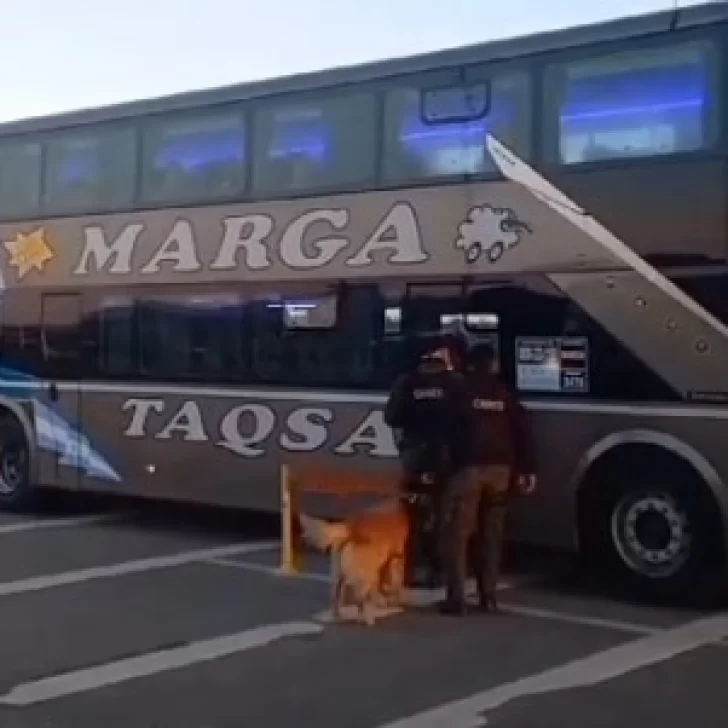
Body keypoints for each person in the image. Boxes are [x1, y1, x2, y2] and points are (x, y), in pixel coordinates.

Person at [440, 341, 537, 615]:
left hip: (468, 470)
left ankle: (456, 599)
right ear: (493, 364)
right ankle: (489, 596)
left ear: (469, 364)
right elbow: (523, 433)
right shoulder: (505, 394)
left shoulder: (459, 392)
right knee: (491, 535)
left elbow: (445, 431)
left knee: (457, 535)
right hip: (501, 471)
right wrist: (528, 469)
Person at [384, 333, 470, 589]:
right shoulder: (456, 382)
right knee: (444, 515)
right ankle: (439, 570)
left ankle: (409, 569)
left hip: (415, 458)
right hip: (446, 459)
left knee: (413, 514)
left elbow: (391, 417)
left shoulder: (407, 381)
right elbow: (467, 419)